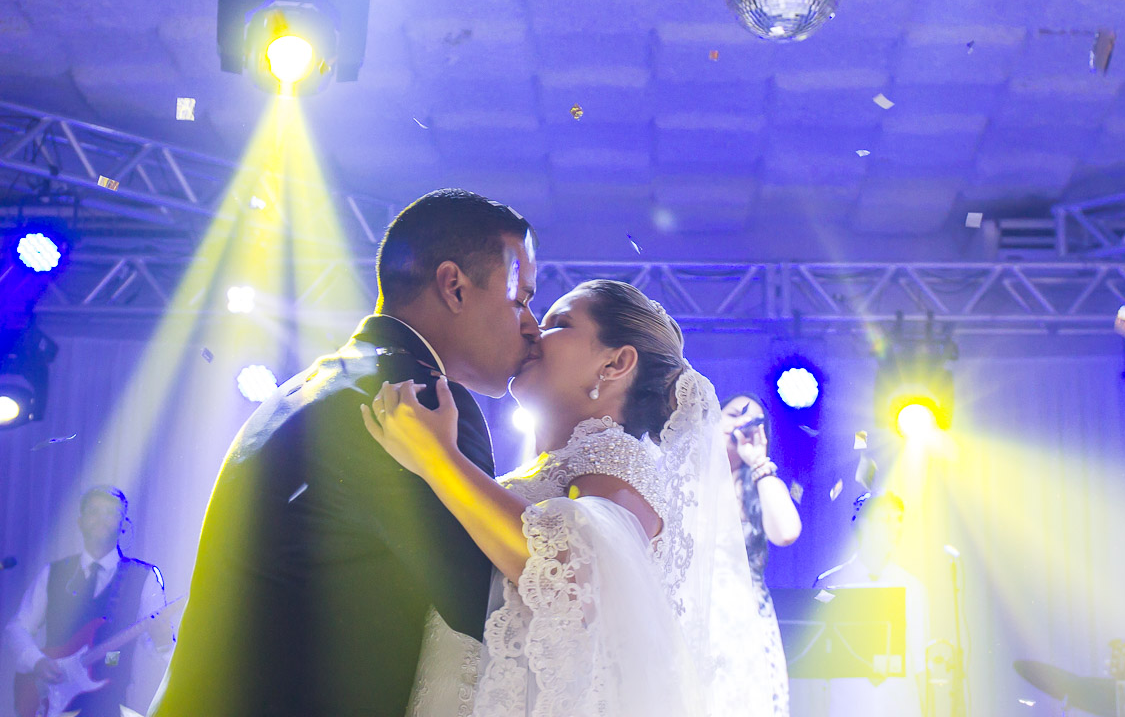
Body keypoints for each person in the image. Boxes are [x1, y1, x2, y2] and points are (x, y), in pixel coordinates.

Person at [149, 190, 540, 716]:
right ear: (454, 286)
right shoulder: (415, 398)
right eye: (521, 300)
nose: (532, 326)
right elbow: (490, 607)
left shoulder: (313, 384)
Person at [364, 280, 778, 716]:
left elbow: (571, 565)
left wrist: (439, 458)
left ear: (615, 363)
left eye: (558, 324)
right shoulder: (554, 466)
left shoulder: (619, 464)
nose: (532, 333)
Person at [5, 486, 174, 717]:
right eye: (93, 512)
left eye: (110, 513)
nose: (101, 519)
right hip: (52, 706)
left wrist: (164, 641)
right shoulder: (53, 573)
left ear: (124, 524)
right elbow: (17, 628)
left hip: (109, 707)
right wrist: (37, 661)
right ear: (80, 521)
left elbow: (160, 649)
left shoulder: (144, 577)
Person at [718, 394, 801, 716]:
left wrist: (758, 464)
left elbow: (786, 533)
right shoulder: (684, 476)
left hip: (747, 620)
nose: (741, 424)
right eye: (735, 414)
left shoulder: (760, 483)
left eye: (752, 423)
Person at [813, 492, 929, 717]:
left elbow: (921, 666)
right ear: (864, 524)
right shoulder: (831, 584)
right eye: (886, 519)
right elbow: (817, 666)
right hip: (847, 709)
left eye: (899, 520)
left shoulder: (913, 589)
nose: (895, 528)